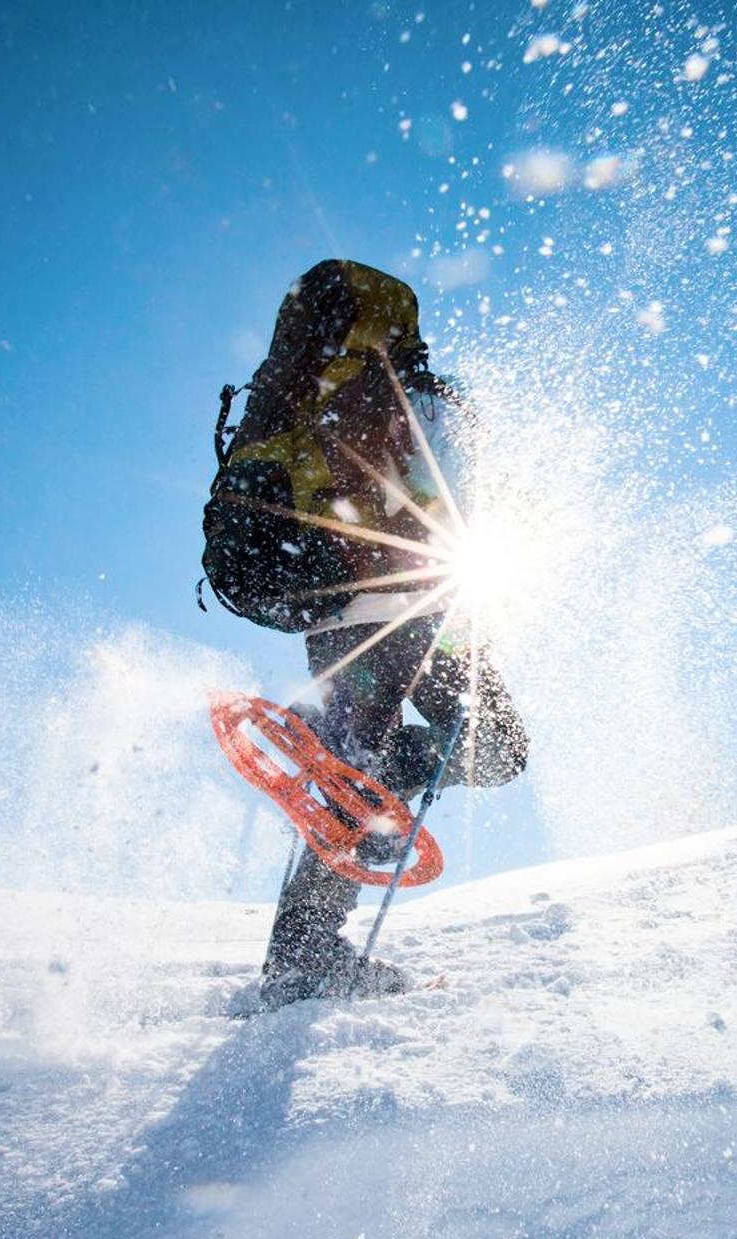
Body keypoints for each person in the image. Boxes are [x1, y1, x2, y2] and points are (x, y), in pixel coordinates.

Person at [201, 260, 527, 1004]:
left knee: (357, 774)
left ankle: (304, 947)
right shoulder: (416, 399)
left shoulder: (311, 402)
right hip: (414, 612)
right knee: (489, 747)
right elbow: (454, 506)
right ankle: (310, 947)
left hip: (333, 616)